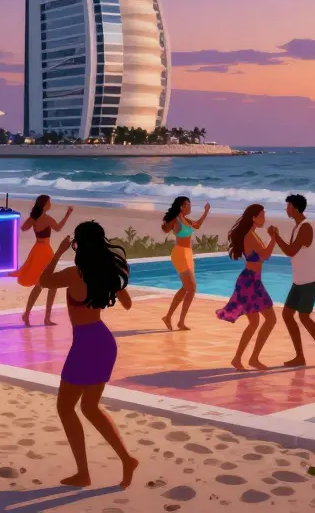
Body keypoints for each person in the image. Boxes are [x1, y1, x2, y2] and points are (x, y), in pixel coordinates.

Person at [38, 221, 138, 489]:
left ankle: (84, 473)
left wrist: (57, 253)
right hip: (103, 341)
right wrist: (111, 287)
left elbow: (44, 281)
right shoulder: (106, 272)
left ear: (78, 244)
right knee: (90, 407)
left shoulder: (73, 273)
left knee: (65, 407)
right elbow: (127, 304)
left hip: (85, 344)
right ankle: (127, 459)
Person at [268, 194, 315, 368]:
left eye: (288, 206)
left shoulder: (305, 227)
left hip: (310, 279)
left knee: (304, 317)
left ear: (295, 208)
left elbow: (290, 251)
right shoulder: (297, 227)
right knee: (287, 315)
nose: (286, 209)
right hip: (300, 280)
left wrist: (275, 235)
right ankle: (300, 356)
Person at [216, 204, 277, 371]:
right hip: (250, 282)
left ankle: (244, 358)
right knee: (266, 320)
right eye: (262, 215)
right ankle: (249, 358)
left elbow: (263, 255)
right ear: (254, 218)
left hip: (253, 281)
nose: (264, 218)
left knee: (259, 322)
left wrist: (272, 238)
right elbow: (265, 255)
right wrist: (273, 237)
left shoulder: (253, 234)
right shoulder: (250, 236)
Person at [16, 195, 73, 326]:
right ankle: (44, 317)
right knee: (49, 284)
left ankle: (28, 314)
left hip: (37, 249)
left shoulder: (35, 218)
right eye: (49, 202)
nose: (50, 204)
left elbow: (24, 228)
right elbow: (58, 228)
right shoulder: (47, 219)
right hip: (46, 251)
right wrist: (67, 214)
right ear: (45, 205)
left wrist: (33, 219)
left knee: (41, 285)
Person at [159, 197, 209, 331]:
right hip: (180, 253)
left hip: (188, 253)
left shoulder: (186, 219)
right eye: (188, 205)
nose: (190, 207)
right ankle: (177, 320)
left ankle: (171, 318)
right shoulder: (176, 219)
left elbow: (197, 225)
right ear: (182, 206)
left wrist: (206, 212)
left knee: (187, 288)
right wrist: (167, 222)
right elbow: (165, 229)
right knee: (191, 288)